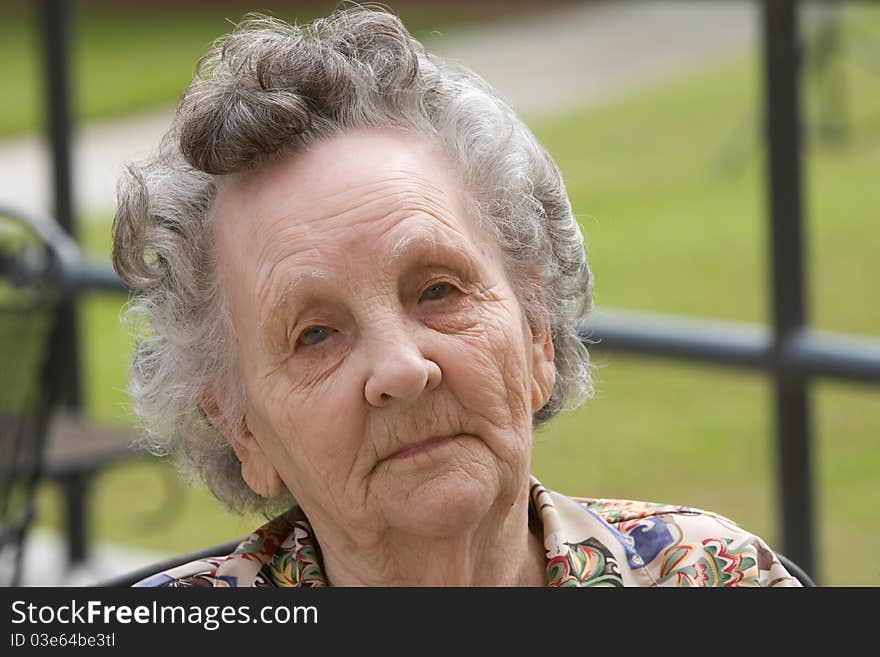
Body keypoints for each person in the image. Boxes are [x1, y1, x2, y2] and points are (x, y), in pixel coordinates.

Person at [112, 6, 801, 587]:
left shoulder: (713, 577)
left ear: (536, 331)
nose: (404, 370)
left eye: (438, 290)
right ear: (242, 430)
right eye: (314, 334)